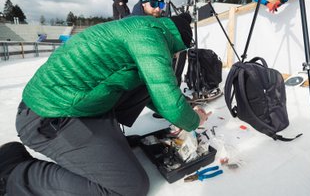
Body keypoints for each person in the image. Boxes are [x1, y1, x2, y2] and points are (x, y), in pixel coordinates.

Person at [0, 13, 210, 195]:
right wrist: (193, 120)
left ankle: (106, 144)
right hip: (49, 119)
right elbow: (167, 98)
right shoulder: (150, 39)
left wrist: (181, 113)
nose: (175, 56)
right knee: (128, 187)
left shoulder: (144, 27)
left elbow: (156, 89)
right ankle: (15, 173)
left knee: (145, 81)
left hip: (72, 105)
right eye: (178, 52)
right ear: (178, 42)